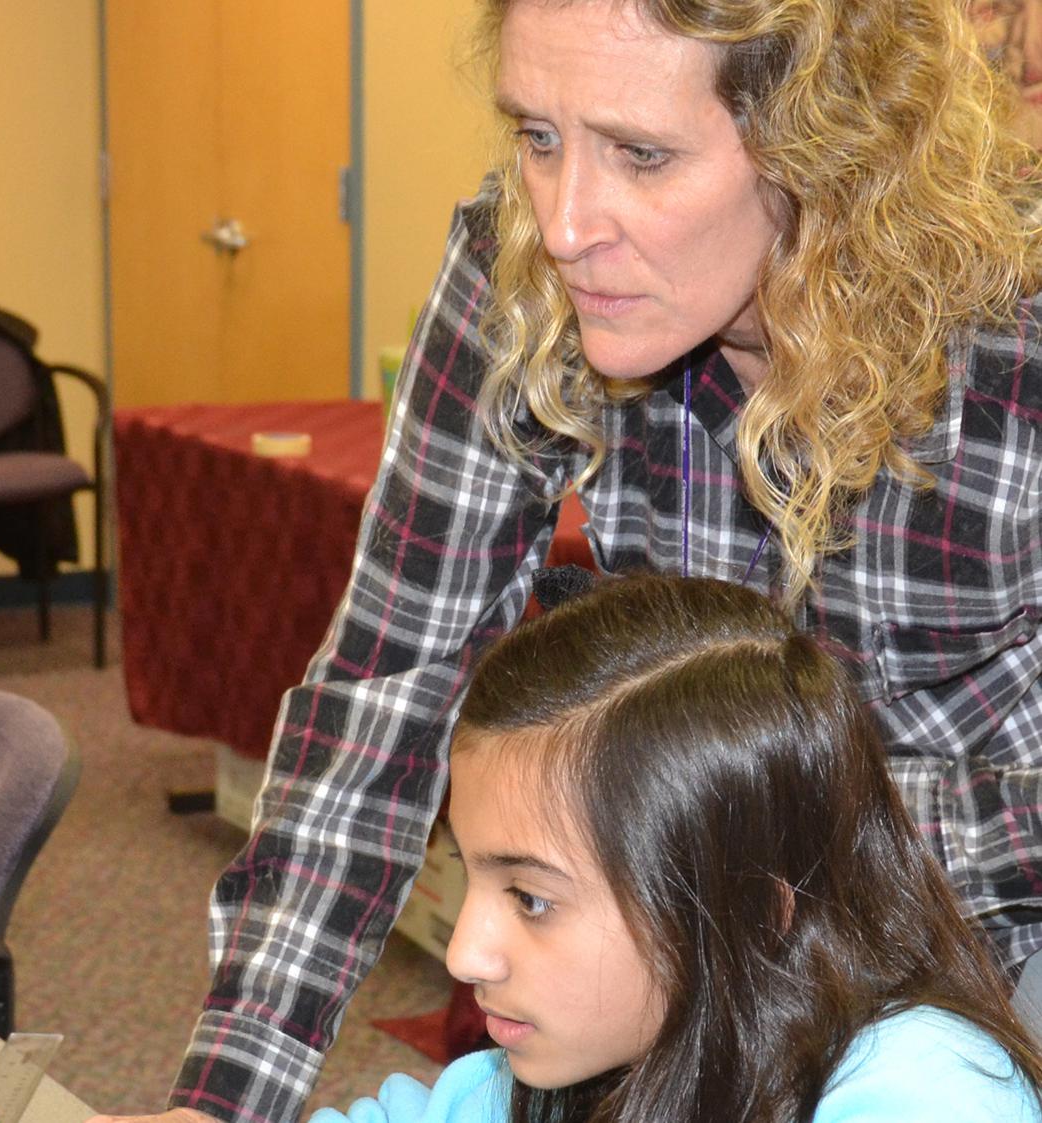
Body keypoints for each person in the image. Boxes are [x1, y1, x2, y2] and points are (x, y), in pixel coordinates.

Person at [89, 1, 1042, 1120]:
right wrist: (226, 1098)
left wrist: (794, 836)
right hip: (694, 932)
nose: (565, 221)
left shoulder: (1011, 319)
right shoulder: (526, 259)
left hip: (990, 932)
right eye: (538, 137)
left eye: (642, 153)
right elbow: (390, 683)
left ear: (832, 145)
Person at [308, 574, 1042, 1123]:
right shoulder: (555, 1074)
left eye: (532, 899)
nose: (465, 954)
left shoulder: (930, 1090)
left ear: (750, 913)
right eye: (468, 872)